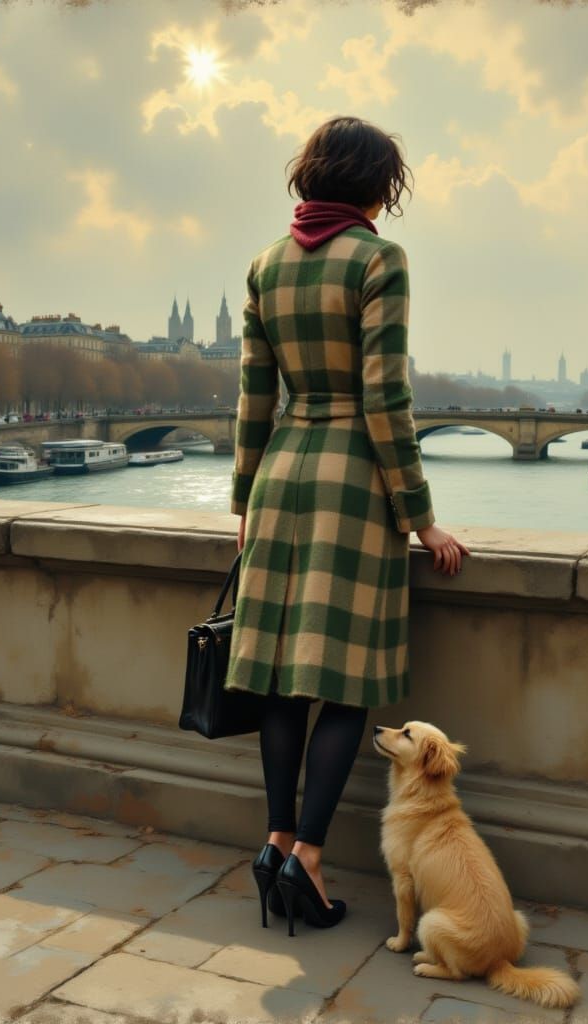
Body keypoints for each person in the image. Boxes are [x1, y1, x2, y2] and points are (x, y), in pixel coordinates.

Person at [223, 116, 469, 935]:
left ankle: (276, 845)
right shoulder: (377, 260)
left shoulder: (264, 266)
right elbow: (384, 401)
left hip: (281, 476)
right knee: (345, 684)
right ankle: (312, 862)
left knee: (284, 681)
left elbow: (254, 400)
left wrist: (242, 503)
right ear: (377, 185)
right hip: (351, 486)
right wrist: (423, 520)